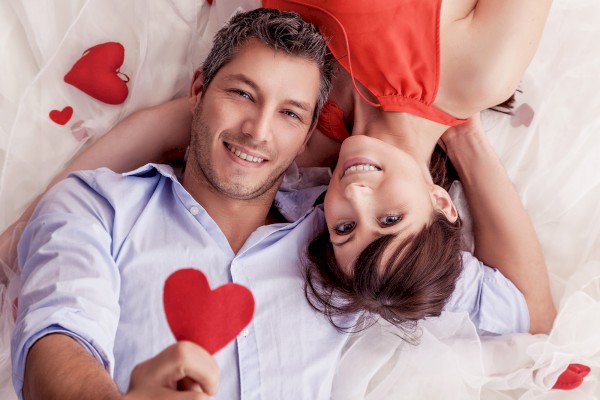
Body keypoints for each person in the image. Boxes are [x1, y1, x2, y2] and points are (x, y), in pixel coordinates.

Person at [11, 8, 349, 399]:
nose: (257, 131)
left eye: (289, 113)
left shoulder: (341, 235)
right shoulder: (96, 209)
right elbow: (55, 337)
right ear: (197, 91)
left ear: (306, 137)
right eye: (242, 94)